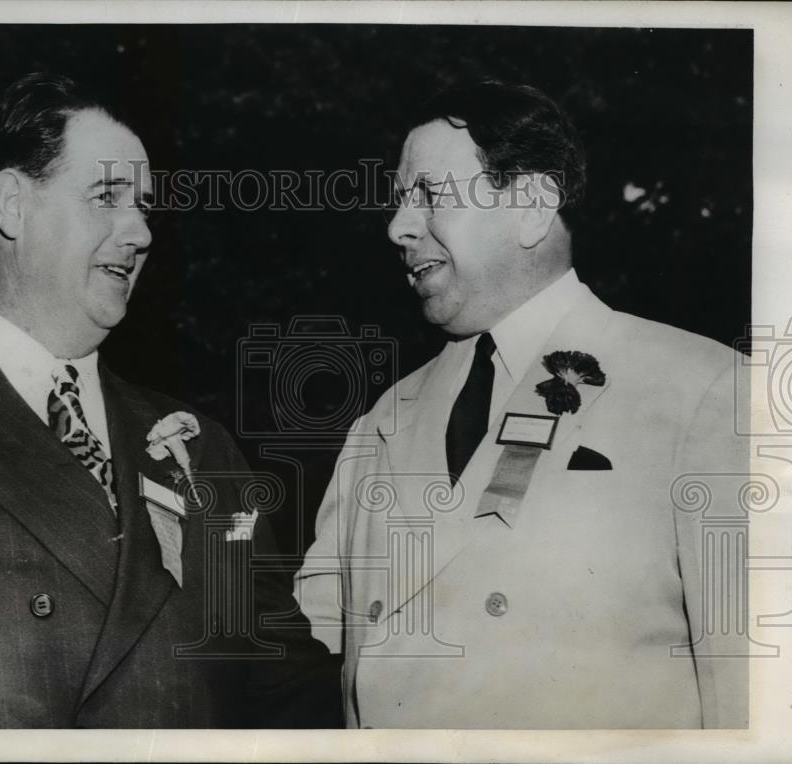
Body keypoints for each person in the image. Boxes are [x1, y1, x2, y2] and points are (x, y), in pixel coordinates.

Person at [0, 73, 341, 728]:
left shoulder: (207, 449)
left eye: (143, 206)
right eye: (107, 197)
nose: (139, 232)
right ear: (13, 205)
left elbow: (290, 693)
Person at [294, 80, 749, 729]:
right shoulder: (383, 421)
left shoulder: (707, 391)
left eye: (428, 194)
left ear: (533, 206)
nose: (397, 226)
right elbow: (306, 645)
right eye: (398, 201)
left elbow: (752, 698)